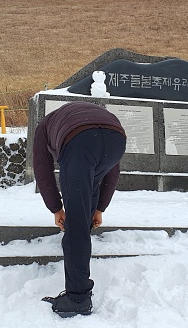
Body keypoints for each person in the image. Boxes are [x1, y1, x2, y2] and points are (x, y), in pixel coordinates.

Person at [33, 101, 127, 318]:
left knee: (74, 224)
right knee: (84, 206)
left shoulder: (45, 127)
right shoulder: (84, 115)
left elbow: (42, 168)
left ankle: (77, 298)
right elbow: (111, 171)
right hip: (116, 138)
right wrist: (99, 208)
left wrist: (56, 208)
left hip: (79, 142)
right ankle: (81, 244)